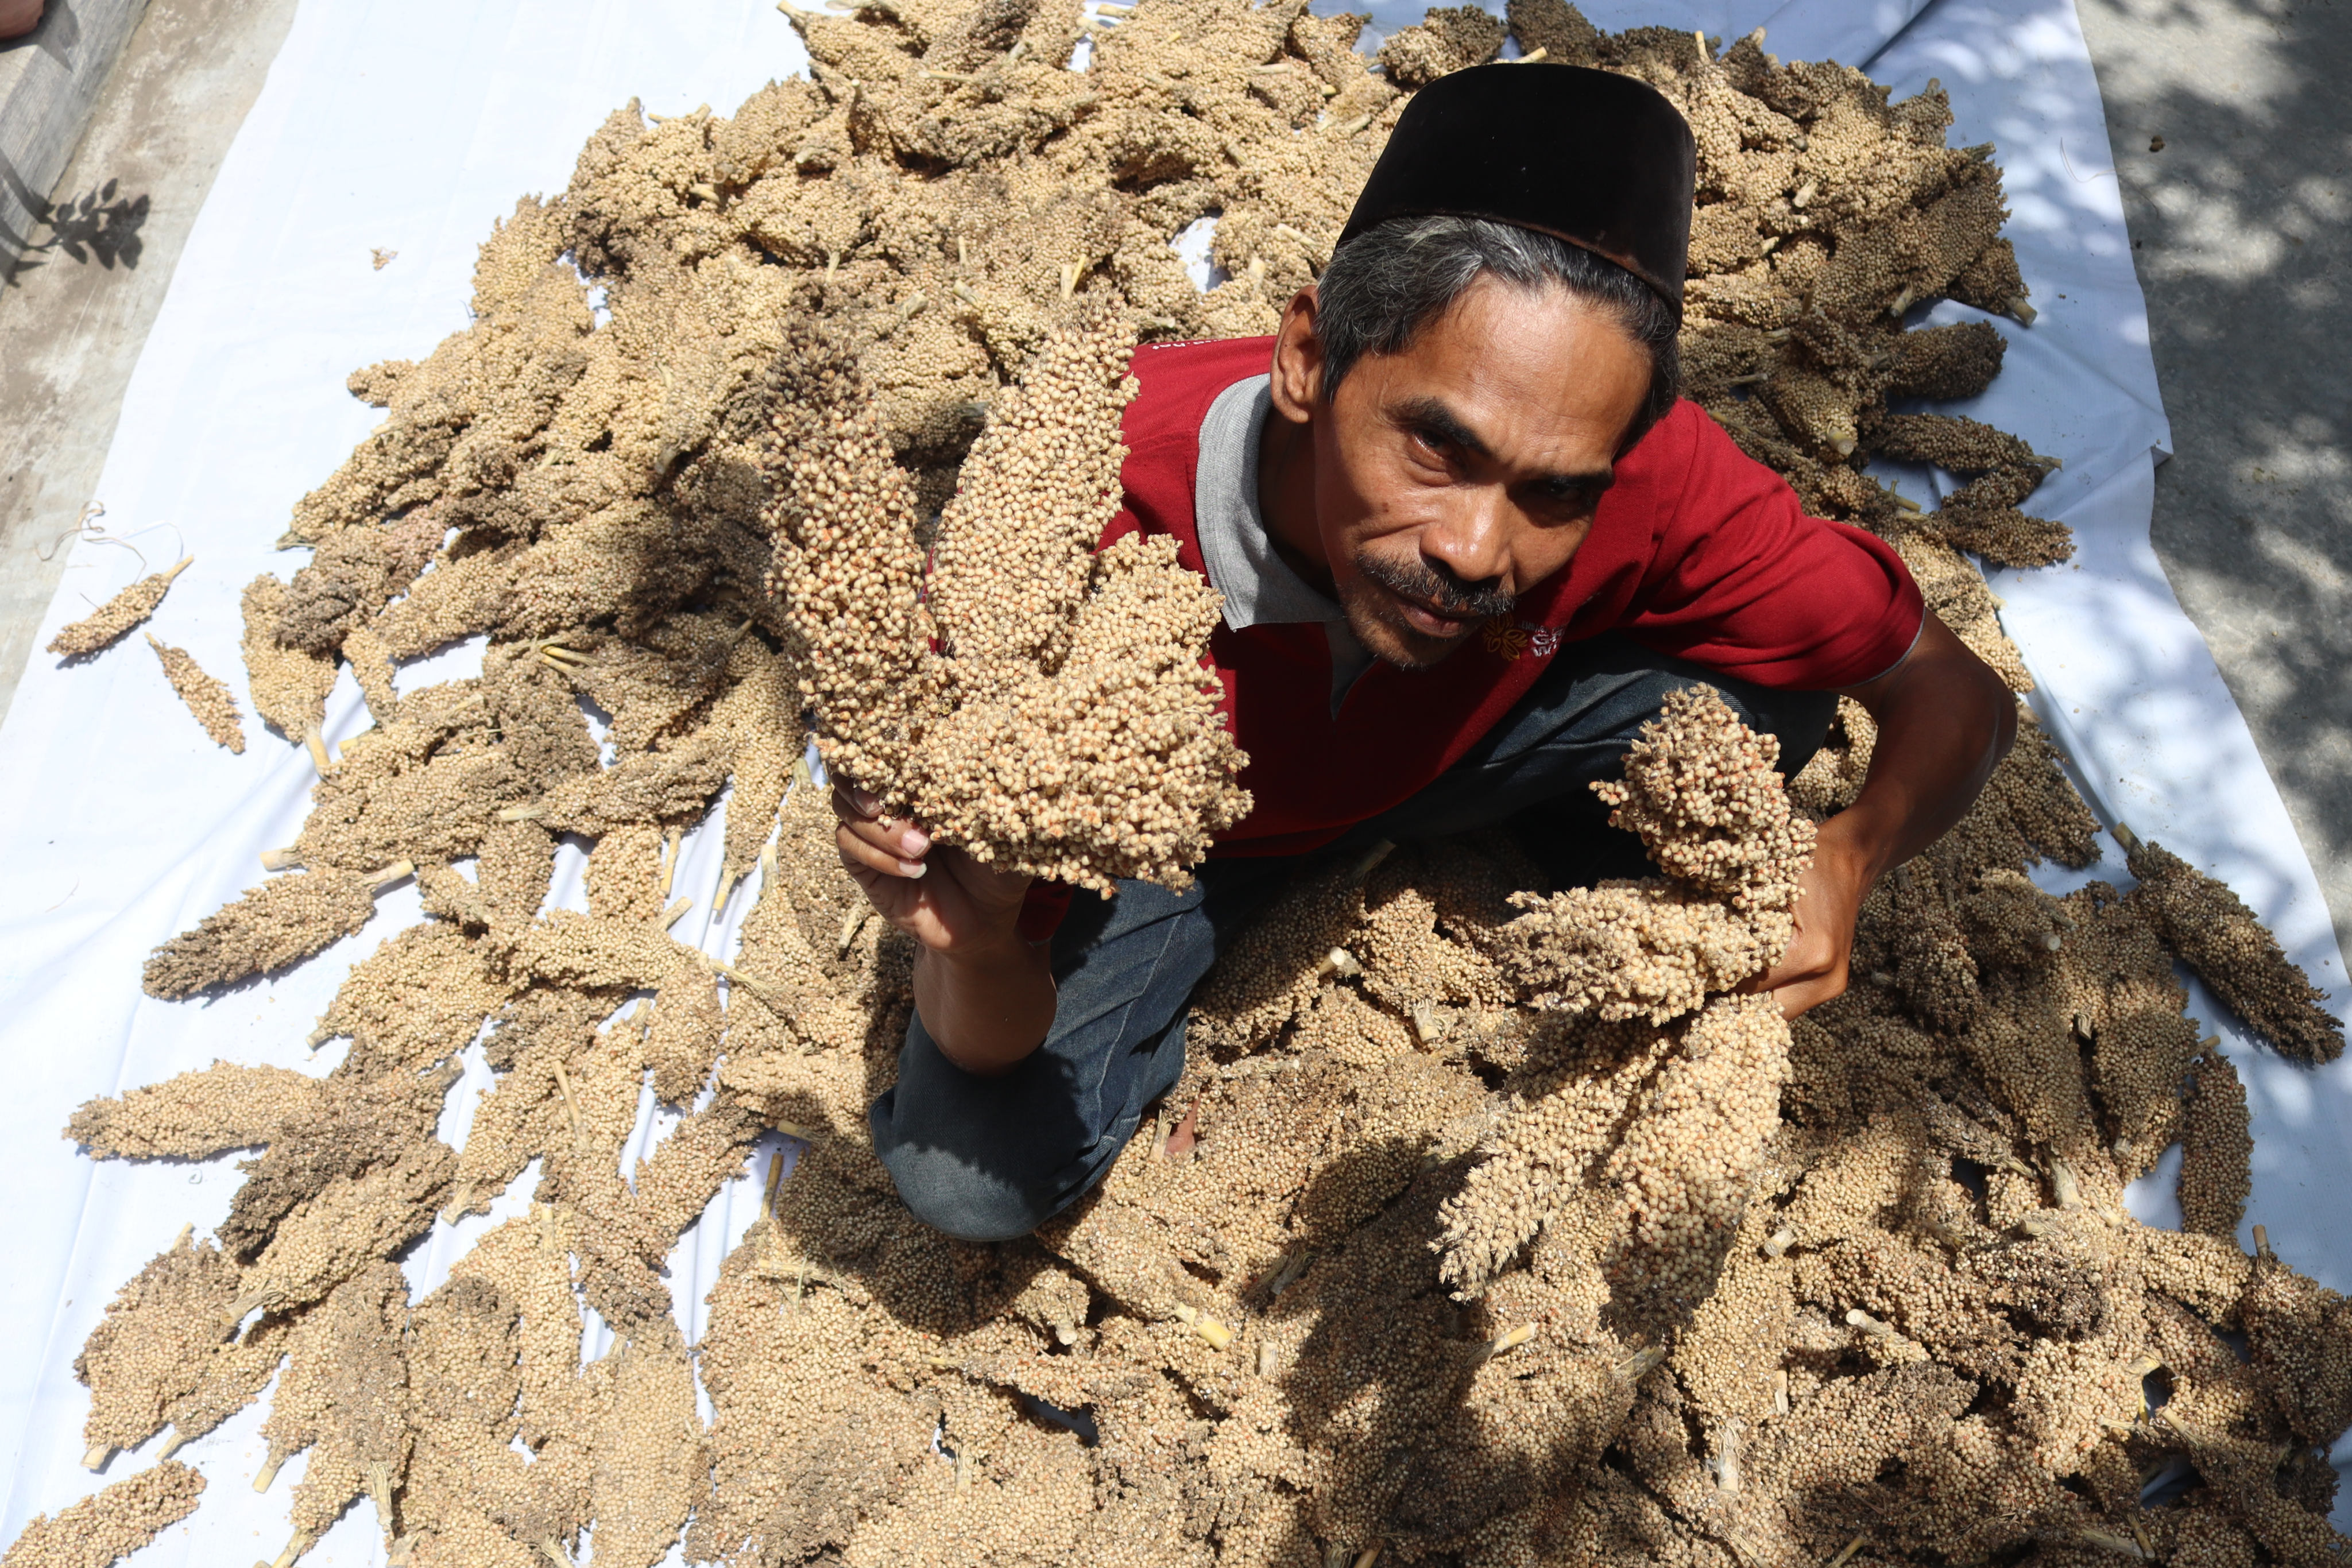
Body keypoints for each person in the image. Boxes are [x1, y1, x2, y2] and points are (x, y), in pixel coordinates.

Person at [834, 62, 2016, 1242]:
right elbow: (983, 1008)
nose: (1473, 548)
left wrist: (1850, 856)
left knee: (1780, 702)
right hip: (1174, 839)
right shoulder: (1066, 538)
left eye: (1554, 491)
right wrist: (981, 936)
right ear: (1306, 357)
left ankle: (1513, 830)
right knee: (969, 1177)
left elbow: (1948, 690)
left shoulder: (1645, 479)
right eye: (1436, 449)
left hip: (1458, 737)